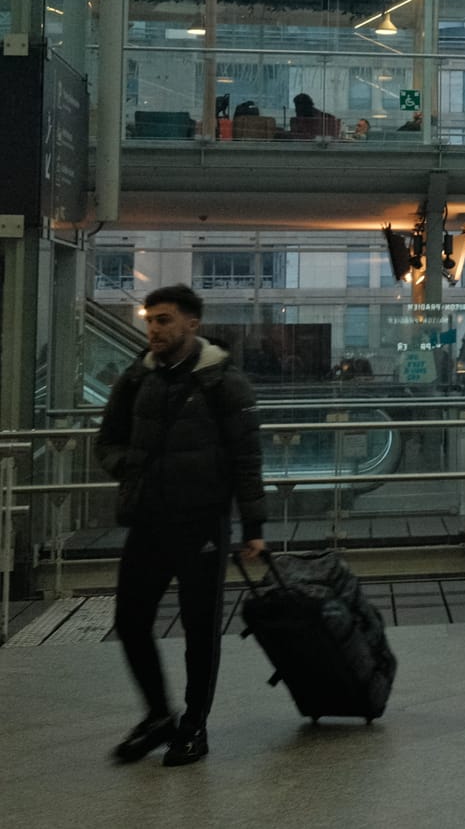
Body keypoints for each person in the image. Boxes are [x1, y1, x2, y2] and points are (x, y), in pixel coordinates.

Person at [97, 284, 267, 768]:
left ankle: (194, 725)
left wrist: (253, 526)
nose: (154, 328)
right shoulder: (137, 378)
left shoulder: (224, 382)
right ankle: (157, 716)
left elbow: (247, 458)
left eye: (165, 320)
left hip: (203, 524)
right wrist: (132, 466)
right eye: (151, 319)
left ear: (192, 324)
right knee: (130, 621)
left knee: (199, 629)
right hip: (148, 520)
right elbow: (106, 440)